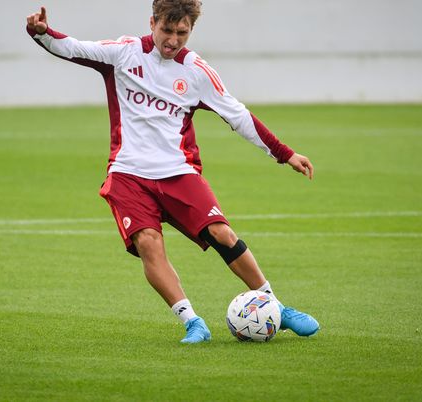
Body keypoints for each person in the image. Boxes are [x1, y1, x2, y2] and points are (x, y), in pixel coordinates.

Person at [26, 0, 319, 343]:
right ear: (152, 22)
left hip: (179, 173)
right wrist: (40, 32)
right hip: (128, 174)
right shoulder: (124, 53)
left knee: (222, 233)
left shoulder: (196, 71)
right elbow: (74, 47)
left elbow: (238, 116)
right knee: (149, 243)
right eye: (167, 30)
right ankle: (193, 322)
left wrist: (285, 154)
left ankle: (276, 307)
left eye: (182, 32)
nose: (173, 40)